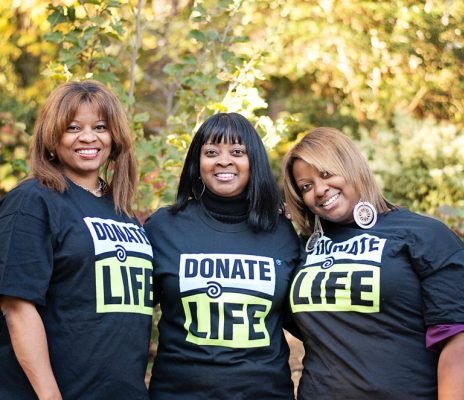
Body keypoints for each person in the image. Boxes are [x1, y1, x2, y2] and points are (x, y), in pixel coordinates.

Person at [282, 127, 464, 400]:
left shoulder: (425, 236)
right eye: (306, 186)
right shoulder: (303, 248)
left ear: (352, 167)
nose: (319, 190)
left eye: (327, 174)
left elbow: (459, 340)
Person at [0, 80, 154, 400]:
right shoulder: (33, 201)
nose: (88, 137)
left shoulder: (121, 211)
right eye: (72, 127)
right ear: (52, 138)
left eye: (100, 126)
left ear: (114, 137)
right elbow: (17, 306)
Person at [144, 112, 301, 399]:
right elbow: (129, 318)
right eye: (211, 152)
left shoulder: (282, 232)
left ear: (253, 160)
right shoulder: (163, 227)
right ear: (197, 162)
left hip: (265, 392)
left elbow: (308, 319)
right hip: (178, 392)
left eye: (237, 152)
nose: (224, 161)